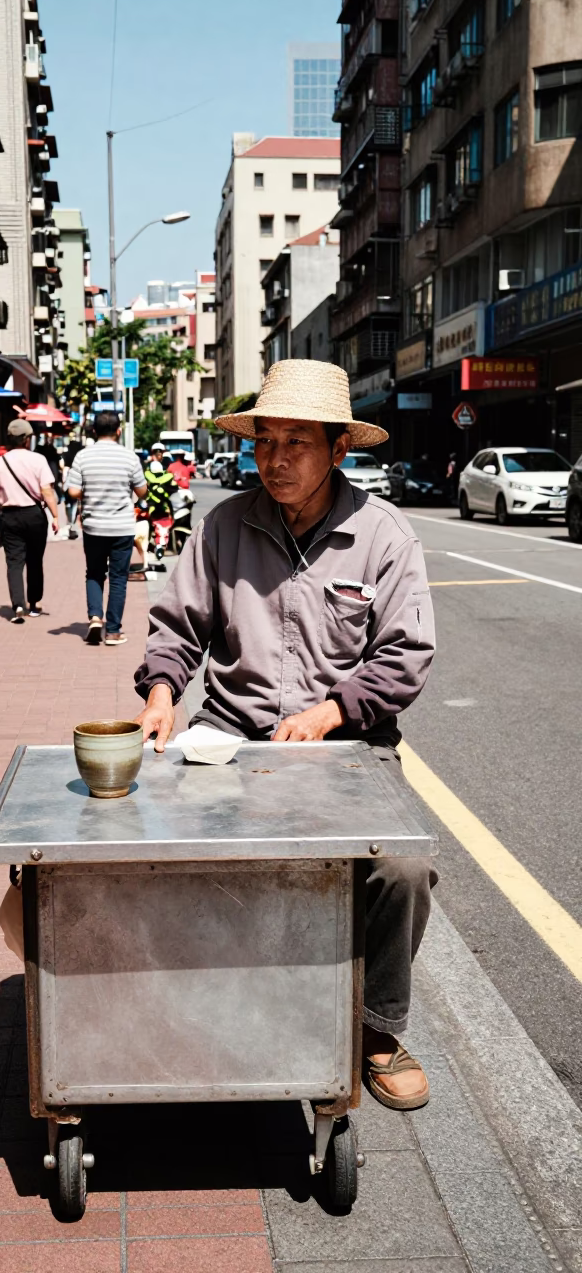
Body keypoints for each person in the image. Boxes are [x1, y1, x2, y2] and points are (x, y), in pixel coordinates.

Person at [134, 359, 436, 1112]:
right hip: (229, 733)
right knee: (163, 846)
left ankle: (376, 1027)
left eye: (296, 442)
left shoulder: (384, 535)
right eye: (265, 440)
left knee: (401, 869)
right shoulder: (224, 527)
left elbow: (405, 655)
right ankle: (198, 1005)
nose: (274, 459)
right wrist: (163, 693)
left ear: (338, 449)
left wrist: (331, 712)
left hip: (348, 744)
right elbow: (177, 627)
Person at [66, 414, 147, 645]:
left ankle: (94, 617)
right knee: (118, 578)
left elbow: (72, 491)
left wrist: (91, 490)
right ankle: (113, 631)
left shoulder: (83, 456)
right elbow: (142, 491)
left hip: (94, 526)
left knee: (94, 573)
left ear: (94, 431)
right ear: (118, 431)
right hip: (122, 527)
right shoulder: (129, 457)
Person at [0, 418, 59, 623]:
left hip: (9, 516)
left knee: (14, 562)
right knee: (35, 560)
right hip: (35, 515)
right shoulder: (38, 460)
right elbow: (47, 490)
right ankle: (34, 603)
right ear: (27, 439)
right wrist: (55, 515)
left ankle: (18, 605)